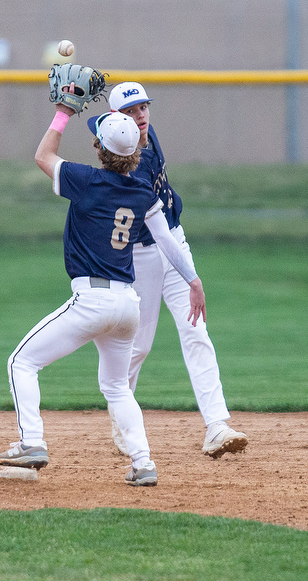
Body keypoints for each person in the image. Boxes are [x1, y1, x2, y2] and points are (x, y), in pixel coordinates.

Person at [0, 94, 207, 487]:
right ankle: (143, 462)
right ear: (134, 154)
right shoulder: (144, 193)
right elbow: (168, 242)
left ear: (100, 149)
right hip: (128, 306)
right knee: (115, 387)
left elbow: (42, 156)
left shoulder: (86, 181)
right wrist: (192, 279)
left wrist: (63, 114)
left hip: (92, 300)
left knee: (20, 363)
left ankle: (32, 442)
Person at [92, 82, 248, 460]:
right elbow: (160, 238)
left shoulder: (141, 132)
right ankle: (121, 414)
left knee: (196, 332)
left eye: (143, 107)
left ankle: (217, 425)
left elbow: (99, 124)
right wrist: (194, 279)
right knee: (139, 345)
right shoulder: (134, 164)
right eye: (130, 113)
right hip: (145, 253)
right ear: (118, 122)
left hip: (174, 239)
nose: (141, 116)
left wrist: (87, 104)